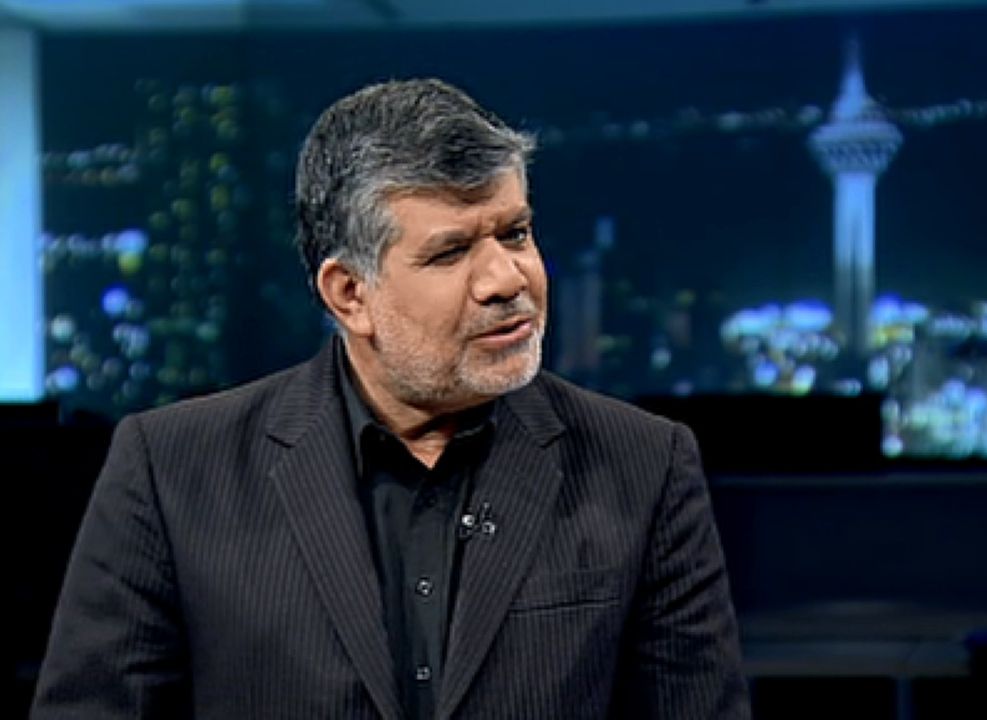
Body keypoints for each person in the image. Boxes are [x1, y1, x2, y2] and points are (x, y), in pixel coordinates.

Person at [32, 78, 750, 719]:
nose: (507, 279)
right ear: (350, 294)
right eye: (450, 252)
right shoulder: (172, 471)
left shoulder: (644, 465)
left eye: (516, 233)